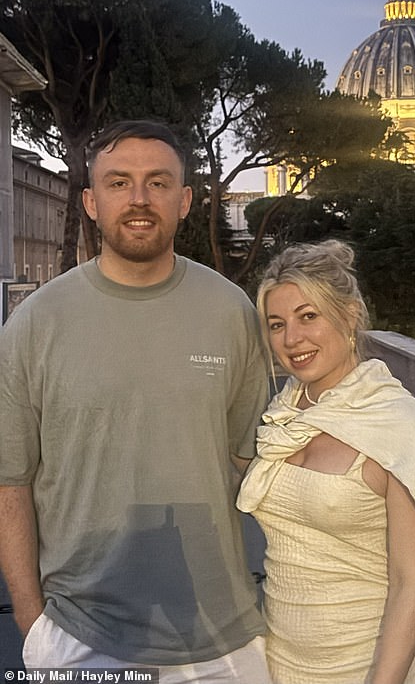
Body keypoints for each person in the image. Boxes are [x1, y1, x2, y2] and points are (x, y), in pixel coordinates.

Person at [0, 120, 272, 683]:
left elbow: (260, 466)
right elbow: (10, 482)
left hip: (223, 643)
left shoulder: (232, 312)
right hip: (79, 642)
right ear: (90, 202)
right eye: (119, 182)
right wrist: (34, 626)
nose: (139, 199)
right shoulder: (34, 324)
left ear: (186, 200)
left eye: (158, 181)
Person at [237, 240, 415, 684]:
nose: (291, 339)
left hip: (368, 666)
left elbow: (409, 585)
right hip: (280, 664)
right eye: (276, 324)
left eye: (309, 316)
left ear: (348, 315)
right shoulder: (284, 414)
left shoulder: (393, 423)